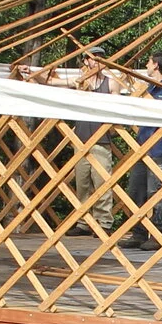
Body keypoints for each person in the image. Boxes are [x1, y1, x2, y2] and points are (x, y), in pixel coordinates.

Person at [120, 52, 162, 251]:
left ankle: (158, 234)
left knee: (156, 192)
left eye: (148, 62)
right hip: (144, 147)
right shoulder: (149, 87)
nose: (147, 65)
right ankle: (138, 233)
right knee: (136, 190)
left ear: (156, 65)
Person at [68, 44, 117, 234]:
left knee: (103, 183)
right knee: (82, 184)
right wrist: (32, 74)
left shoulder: (111, 83)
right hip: (81, 140)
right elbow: (53, 84)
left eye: (100, 58)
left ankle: (104, 223)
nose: (97, 62)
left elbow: (117, 105)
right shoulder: (79, 82)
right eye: (93, 58)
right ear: (86, 61)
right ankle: (83, 223)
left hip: (101, 141)